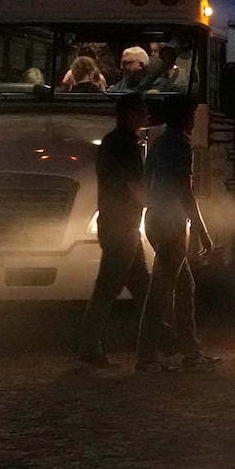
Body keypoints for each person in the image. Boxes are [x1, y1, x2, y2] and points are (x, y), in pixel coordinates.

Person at [134, 94, 219, 371]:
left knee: (182, 286)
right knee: (161, 291)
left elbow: (146, 183)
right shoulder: (181, 144)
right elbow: (186, 191)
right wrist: (201, 230)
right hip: (171, 224)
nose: (194, 120)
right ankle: (147, 357)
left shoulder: (158, 142)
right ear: (185, 117)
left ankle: (190, 352)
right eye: (192, 115)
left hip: (154, 219)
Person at [76, 93, 152, 367]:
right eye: (143, 111)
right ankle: (90, 344)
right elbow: (135, 186)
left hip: (115, 223)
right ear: (131, 115)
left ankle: (162, 338)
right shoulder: (126, 146)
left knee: (142, 285)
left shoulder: (111, 142)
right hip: (123, 226)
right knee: (110, 287)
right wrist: (153, 206)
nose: (147, 115)